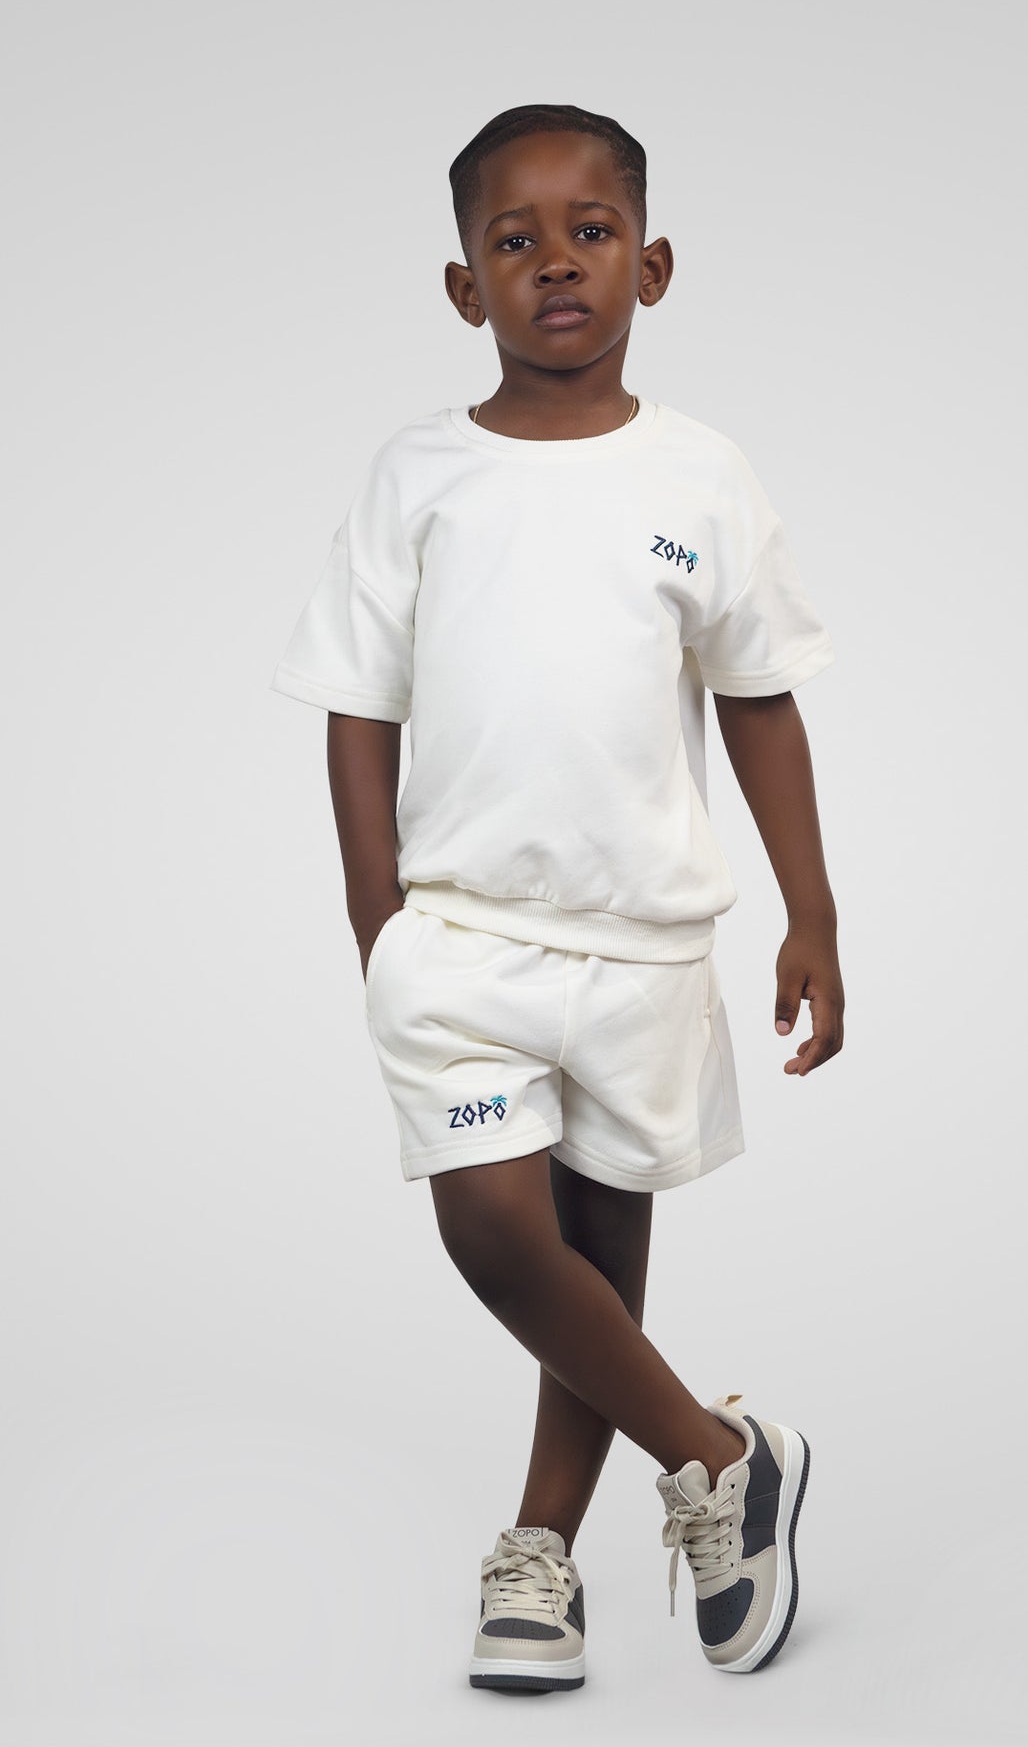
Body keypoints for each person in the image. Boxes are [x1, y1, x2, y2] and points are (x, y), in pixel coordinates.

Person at [269, 102, 845, 1692]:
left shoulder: (702, 475)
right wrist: (378, 921)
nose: (556, 263)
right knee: (498, 1234)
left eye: (590, 232)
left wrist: (813, 912)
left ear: (651, 265)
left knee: (593, 1255)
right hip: (457, 940)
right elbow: (357, 706)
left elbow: (760, 700)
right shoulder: (419, 476)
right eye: (513, 242)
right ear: (467, 288)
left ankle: (541, 1554)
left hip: (642, 943)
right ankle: (717, 1455)